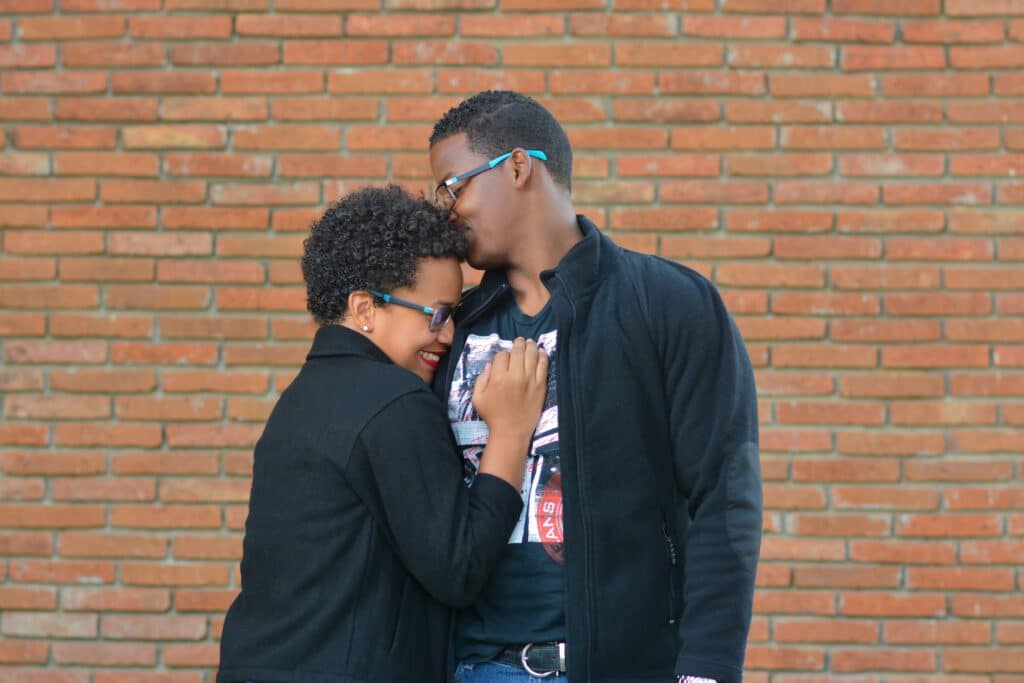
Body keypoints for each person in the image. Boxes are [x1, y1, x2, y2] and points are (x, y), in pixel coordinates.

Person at [428, 91, 762, 683]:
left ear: (517, 166)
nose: (446, 210)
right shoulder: (453, 329)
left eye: (454, 187)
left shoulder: (667, 303)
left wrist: (707, 670)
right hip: (471, 667)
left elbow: (723, 497)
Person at [217, 184, 549, 683]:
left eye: (455, 315)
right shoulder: (394, 402)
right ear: (365, 309)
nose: (450, 334)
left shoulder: (303, 398)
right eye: (438, 314)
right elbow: (459, 568)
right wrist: (510, 432)